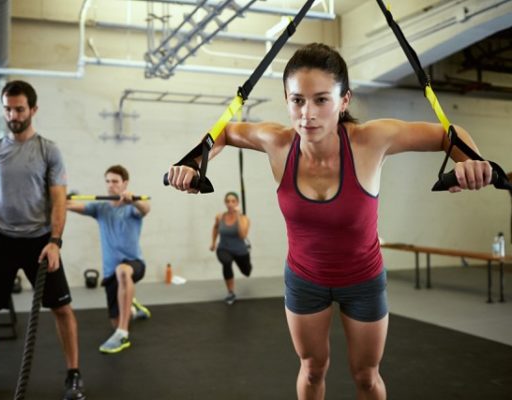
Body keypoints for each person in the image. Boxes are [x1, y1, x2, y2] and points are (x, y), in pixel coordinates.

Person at [167, 43, 493, 399]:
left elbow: (449, 134)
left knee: (367, 377)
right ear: (287, 100)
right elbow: (225, 131)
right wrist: (193, 162)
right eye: (297, 100)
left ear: (344, 100)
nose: (307, 113)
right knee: (311, 371)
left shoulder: (371, 140)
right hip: (305, 280)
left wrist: (471, 163)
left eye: (322, 100)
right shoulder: (277, 142)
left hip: (364, 280)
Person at [0, 80, 85, 400]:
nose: (13, 115)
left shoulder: (48, 150)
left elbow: (59, 200)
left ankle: (73, 375)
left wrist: (55, 240)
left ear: (33, 110)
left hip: (40, 242)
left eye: (19, 109)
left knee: (62, 309)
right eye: (8, 109)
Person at [67, 165, 151, 354]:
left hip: (134, 264)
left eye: (115, 181)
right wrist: (60, 199)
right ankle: (132, 308)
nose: (110, 185)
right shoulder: (101, 207)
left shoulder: (131, 208)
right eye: (108, 181)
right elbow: (72, 206)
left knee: (123, 271)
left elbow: (146, 208)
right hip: (110, 271)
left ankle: (122, 333)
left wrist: (133, 199)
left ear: (125, 184)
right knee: (116, 319)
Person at [210, 191, 252, 304]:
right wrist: (213, 243)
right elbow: (215, 228)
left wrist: (238, 216)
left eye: (233, 201)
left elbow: (243, 235)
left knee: (247, 272)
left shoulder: (244, 219)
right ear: (225, 203)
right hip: (223, 248)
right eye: (228, 201)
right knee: (226, 262)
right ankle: (231, 292)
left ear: (237, 203)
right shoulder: (220, 217)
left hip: (240, 250)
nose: (230, 204)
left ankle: (246, 269)